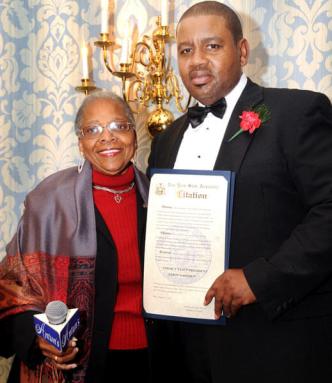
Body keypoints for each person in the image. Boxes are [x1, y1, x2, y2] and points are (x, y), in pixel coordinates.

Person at [147, 2, 332, 383]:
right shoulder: (166, 140)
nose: (197, 61)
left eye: (212, 46)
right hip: (189, 348)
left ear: (242, 51)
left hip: (277, 343)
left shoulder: (295, 112)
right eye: (185, 50)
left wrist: (257, 279)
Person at [0, 90, 151, 383]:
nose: (107, 138)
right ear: (81, 144)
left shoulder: (159, 196)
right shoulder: (49, 200)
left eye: (119, 126)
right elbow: (11, 285)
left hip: (149, 361)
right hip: (76, 367)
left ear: (134, 135)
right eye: (93, 130)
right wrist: (38, 337)